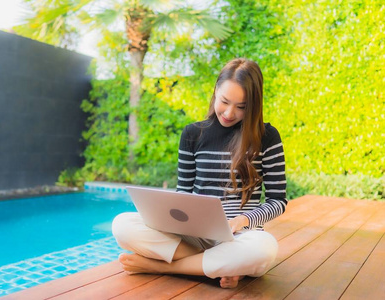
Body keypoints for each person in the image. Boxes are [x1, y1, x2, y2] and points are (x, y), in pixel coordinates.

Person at [112, 58, 287, 289]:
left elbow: (278, 201)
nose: (229, 112)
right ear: (215, 91)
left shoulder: (267, 136)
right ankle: (219, 265)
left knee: (265, 248)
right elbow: (183, 193)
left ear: (253, 105)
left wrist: (242, 220)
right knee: (122, 224)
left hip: (241, 235)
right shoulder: (192, 134)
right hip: (195, 238)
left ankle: (163, 266)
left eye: (241, 107)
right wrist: (169, 220)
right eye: (224, 101)